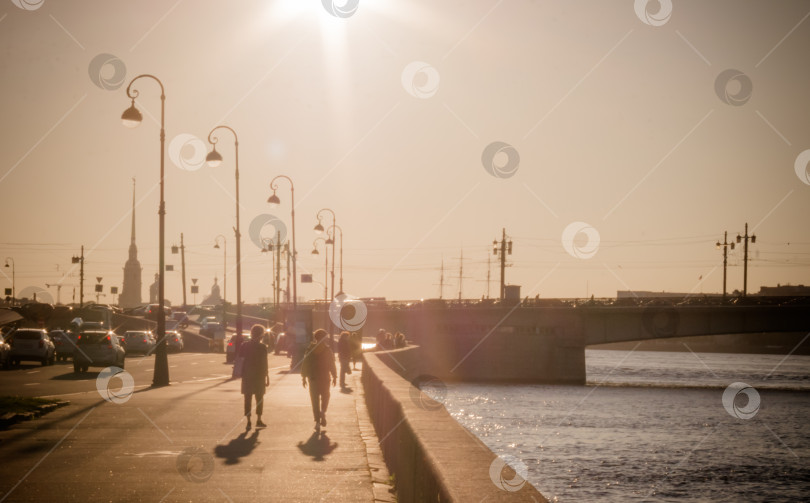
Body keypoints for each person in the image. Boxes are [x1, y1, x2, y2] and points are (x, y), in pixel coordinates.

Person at [301, 329, 337, 432]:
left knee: (314, 400)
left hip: (313, 378)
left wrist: (303, 378)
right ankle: (323, 411)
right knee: (326, 396)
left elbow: (305, 363)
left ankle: (317, 422)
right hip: (325, 377)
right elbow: (331, 364)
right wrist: (335, 376)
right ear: (324, 338)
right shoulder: (327, 350)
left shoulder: (310, 349)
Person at [240, 324, 270, 429]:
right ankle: (259, 419)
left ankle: (248, 421)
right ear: (261, 335)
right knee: (259, 398)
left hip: (247, 375)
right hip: (259, 375)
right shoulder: (263, 347)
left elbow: (240, 360)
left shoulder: (244, 345)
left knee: (247, 398)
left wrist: (239, 373)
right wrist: (267, 377)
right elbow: (265, 363)